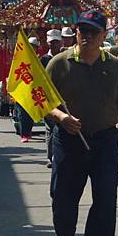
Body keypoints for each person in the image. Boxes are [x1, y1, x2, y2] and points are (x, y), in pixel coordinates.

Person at [46, 9, 118, 236]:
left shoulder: (114, 66)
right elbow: (44, 102)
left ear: (103, 35)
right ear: (76, 33)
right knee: (64, 194)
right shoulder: (59, 63)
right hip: (69, 139)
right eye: (82, 31)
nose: (86, 36)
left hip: (105, 139)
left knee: (106, 197)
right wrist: (62, 117)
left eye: (92, 32)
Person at [41, 29, 63, 167]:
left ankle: (59, 154)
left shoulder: (64, 58)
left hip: (62, 97)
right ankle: (51, 156)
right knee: (50, 128)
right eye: (51, 42)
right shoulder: (43, 59)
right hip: (48, 98)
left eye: (56, 42)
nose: (53, 45)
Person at [15, 37, 41, 143]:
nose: (32, 48)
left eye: (34, 47)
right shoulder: (20, 58)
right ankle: (24, 134)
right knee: (22, 112)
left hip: (34, 89)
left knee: (30, 112)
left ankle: (28, 131)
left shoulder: (40, 59)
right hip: (22, 89)